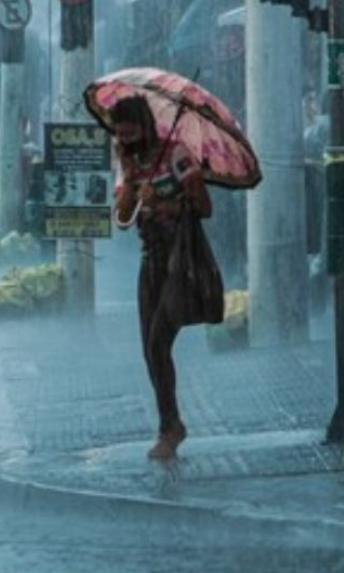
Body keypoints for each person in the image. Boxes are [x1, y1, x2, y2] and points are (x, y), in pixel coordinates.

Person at [112, 95, 213, 461]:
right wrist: (128, 180)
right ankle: (170, 423)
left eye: (131, 133)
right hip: (150, 261)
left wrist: (164, 203)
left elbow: (203, 206)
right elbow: (122, 220)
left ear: (145, 127)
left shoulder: (176, 155)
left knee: (158, 344)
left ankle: (169, 428)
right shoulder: (132, 162)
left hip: (179, 261)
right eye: (120, 136)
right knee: (150, 351)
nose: (126, 141)